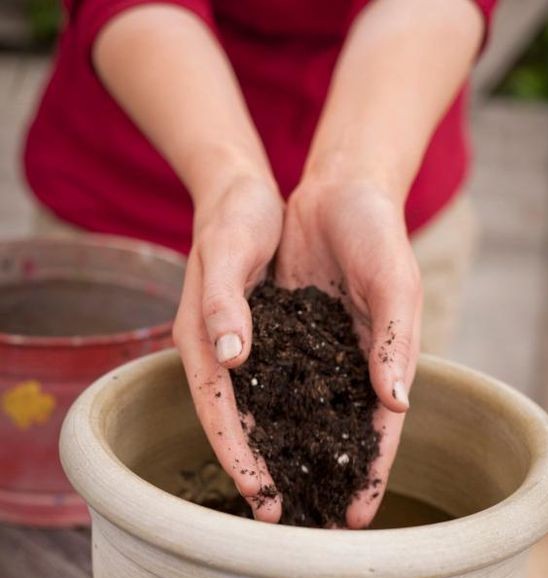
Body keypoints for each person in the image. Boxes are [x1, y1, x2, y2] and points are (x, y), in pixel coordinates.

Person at [24, 0, 496, 527]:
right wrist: (229, 181)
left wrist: (359, 178)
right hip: (123, 209)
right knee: (72, 511)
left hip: (382, 193)